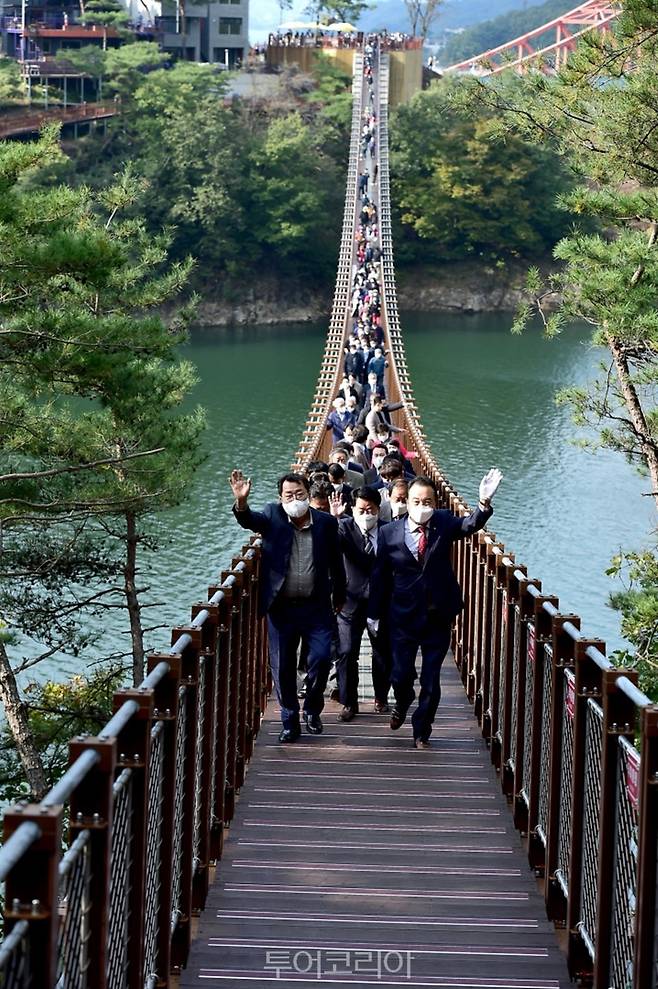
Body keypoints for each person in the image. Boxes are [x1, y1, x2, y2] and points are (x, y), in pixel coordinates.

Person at [368, 468, 503, 749]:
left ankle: (422, 731)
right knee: (400, 675)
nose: (422, 507)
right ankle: (402, 701)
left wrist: (483, 504)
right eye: (416, 501)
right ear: (406, 502)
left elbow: (468, 525)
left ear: (435, 504)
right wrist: (373, 613)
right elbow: (379, 576)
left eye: (427, 502)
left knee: (431, 679)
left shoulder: (442, 522)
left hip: (437, 616)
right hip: (402, 616)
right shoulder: (389, 532)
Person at [229, 469, 346, 743]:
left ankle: (313, 709)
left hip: (316, 606)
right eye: (288, 495)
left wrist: (339, 595)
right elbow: (248, 520)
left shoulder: (327, 523)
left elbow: (336, 564)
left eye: (300, 494)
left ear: (308, 493)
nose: (295, 499)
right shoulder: (272, 516)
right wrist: (241, 501)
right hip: (281, 607)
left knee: (320, 659)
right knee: (282, 667)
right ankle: (290, 721)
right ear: (280, 498)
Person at [331, 486, 392, 719]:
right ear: (353, 509)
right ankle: (349, 703)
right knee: (346, 652)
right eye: (361, 509)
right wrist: (334, 517)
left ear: (378, 509)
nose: (366, 514)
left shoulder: (388, 530)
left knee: (382, 653)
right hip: (348, 602)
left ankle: (381, 697)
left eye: (370, 509)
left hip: (381, 602)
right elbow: (327, 540)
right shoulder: (342, 527)